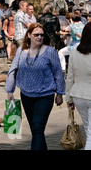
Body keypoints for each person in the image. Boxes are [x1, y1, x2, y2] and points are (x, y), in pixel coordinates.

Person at [6, 23, 65, 150]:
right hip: (26, 95)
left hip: (45, 95)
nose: (39, 37)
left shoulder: (50, 52)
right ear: (28, 35)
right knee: (35, 130)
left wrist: (60, 93)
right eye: (36, 34)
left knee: (38, 128)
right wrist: (9, 90)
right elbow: (13, 70)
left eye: (42, 35)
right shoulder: (21, 51)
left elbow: (58, 73)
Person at [65, 22, 91, 150]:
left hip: (78, 96)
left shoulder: (74, 53)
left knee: (88, 129)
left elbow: (70, 78)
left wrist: (68, 98)